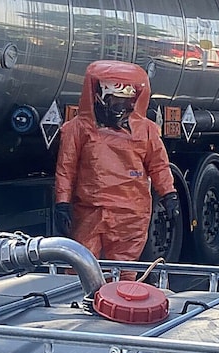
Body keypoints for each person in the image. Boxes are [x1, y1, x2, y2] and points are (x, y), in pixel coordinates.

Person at [54, 60, 179, 281]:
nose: (121, 107)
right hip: (93, 210)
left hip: (128, 213)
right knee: (82, 268)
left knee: (122, 271)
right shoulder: (79, 128)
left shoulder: (145, 130)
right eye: (116, 101)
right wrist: (62, 203)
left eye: (126, 102)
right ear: (100, 97)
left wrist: (169, 195)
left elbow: (159, 165)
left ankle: (118, 308)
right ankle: (83, 307)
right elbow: (66, 168)